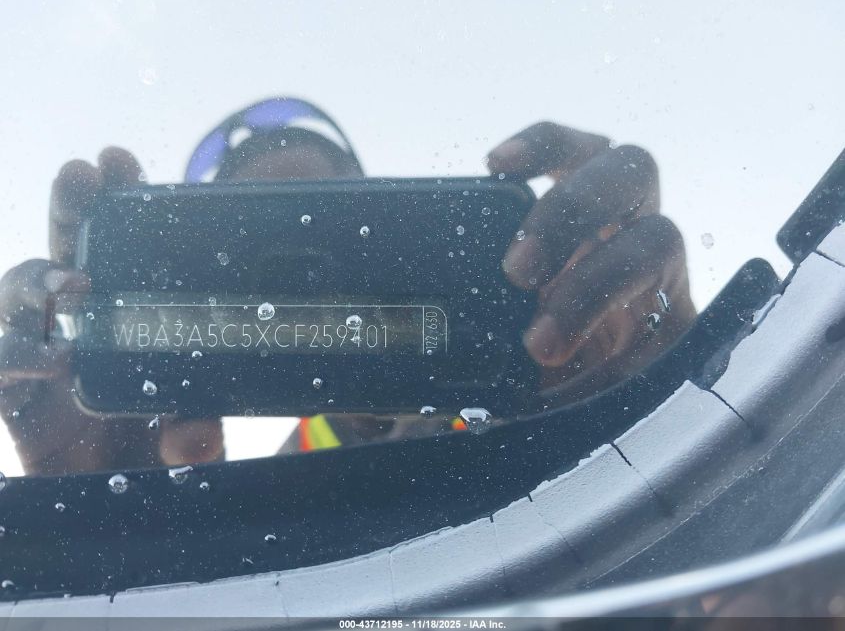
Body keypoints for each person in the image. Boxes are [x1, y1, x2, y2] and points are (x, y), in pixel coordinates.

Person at [0, 97, 696, 475]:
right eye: (248, 252)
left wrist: (664, 399)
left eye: (333, 226)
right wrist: (108, 518)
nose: (301, 275)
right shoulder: (279, 480)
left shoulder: (526, 378)